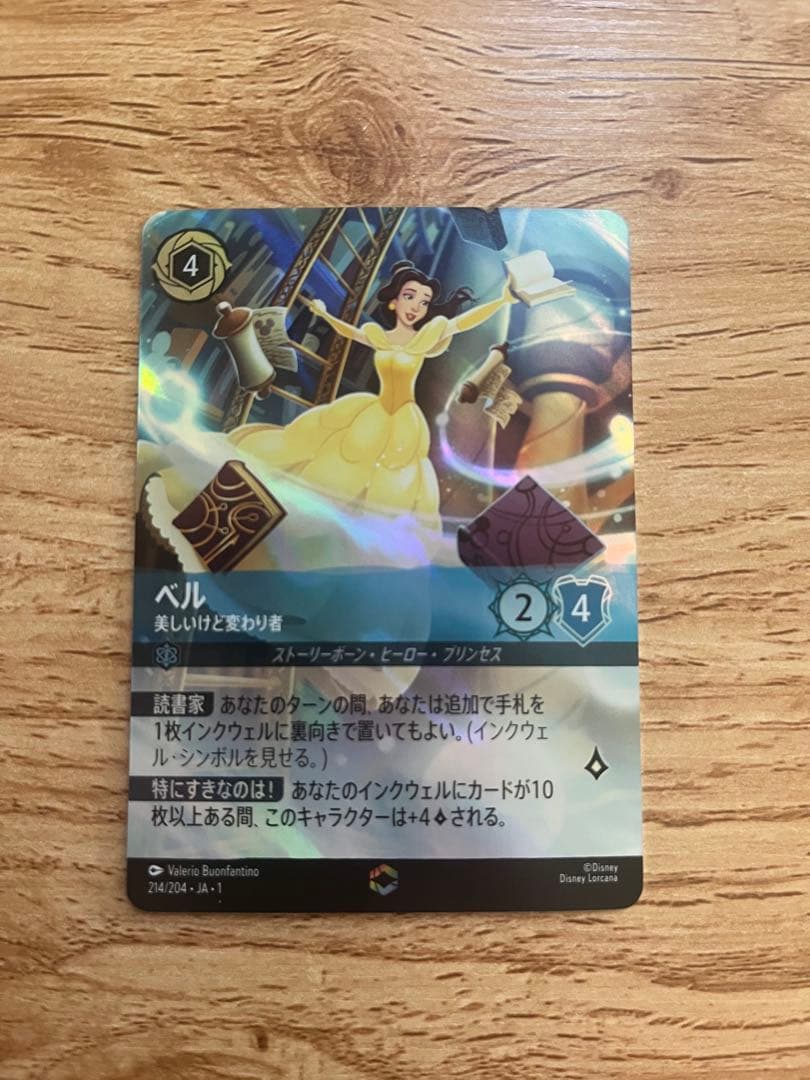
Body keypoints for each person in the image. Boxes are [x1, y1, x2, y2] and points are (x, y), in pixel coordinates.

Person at [228, 260, 517, 524]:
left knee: (391, 479)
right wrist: (323, 314)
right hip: (372, 408)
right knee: (334, 450)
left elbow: (464, 322)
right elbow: (348, 332)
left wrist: (503, 299)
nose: (416, 306)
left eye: (424, 301)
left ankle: (346, 526)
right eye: (410, 296)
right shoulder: (379, 336)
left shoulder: (427, 337)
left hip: (403, 416)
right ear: (394, 301)